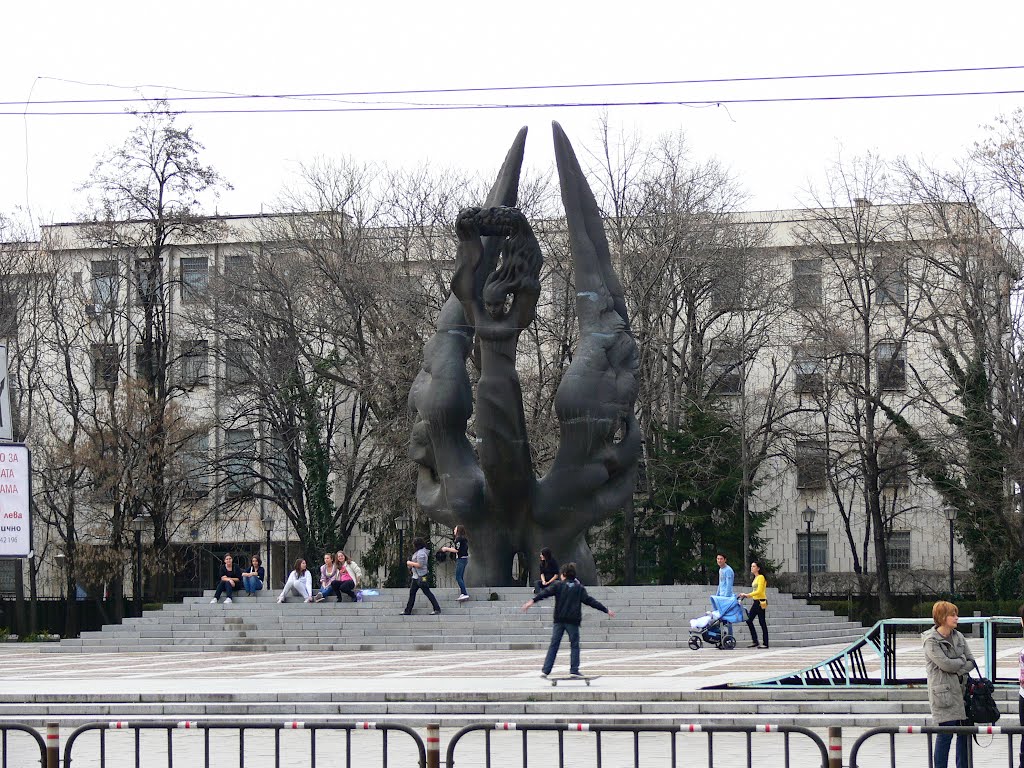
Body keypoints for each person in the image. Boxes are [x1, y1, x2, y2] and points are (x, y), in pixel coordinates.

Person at [521, 562, 614, 679]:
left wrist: (532, 601)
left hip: (559, 620)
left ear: (564, 574)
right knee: (574, 645)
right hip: (572, 621)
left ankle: (546, 670)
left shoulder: (558, 585)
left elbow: (545, 593)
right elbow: (591, 601)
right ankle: (574, 670)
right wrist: (606, 610)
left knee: (554, 645)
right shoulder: (579, 588)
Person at [922, 600, 975, 768]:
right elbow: (945, 664)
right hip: (943, 694)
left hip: (962, 691)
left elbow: (971, 661)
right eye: (953, 615)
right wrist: (961, 662)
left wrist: (957, 667)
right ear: (942, 617)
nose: (956, 618)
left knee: (964, 735)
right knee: (945, 735)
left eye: (956, 614)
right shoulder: (931, 640)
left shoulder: (958, 636)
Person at [401, 537, 441, 615]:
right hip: (416, 576)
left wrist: (410, 563)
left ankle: (437, 608)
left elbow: (420, 565)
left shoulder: (421, 553)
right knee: (412, 593)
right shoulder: (419, 552)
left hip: (421, 576)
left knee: (427, 592)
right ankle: (408, 610)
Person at [738, 561, 768, 649]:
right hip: (756, 601)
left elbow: (759, 591)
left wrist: (747, 595)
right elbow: (756, 591)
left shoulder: (761, 577)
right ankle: (755, 641)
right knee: (749, 620)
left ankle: (765, 643)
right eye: (751, 566)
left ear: (758, 568)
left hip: (761, 601)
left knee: (762, 622)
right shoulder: (755, 578)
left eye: (754, 566)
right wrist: (747, 595)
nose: (752, 568)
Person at [441, 525, 470, 601]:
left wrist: (446, 548)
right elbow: (458, 548)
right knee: (460, 577)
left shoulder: (459, 539)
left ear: (458, 530)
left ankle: (464, 593)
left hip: (461, 559)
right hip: (464, 559)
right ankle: (463, 593)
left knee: (458, 577)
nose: (454, 530)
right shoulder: (463, 539)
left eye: (455, 529)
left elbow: (457, 550)